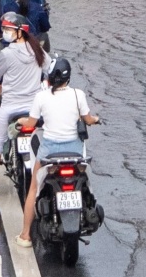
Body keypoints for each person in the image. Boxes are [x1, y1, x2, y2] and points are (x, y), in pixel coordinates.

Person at [18, 56, 97, 239]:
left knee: (33, 188)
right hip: (75, 151)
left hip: (49, 152)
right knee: (86, 180)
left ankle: (25, 235)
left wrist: (22, 122)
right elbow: (88, 119)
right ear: (68, 78)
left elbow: (31, 123)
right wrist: (96, 120)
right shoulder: (79, 95)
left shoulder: (41, 97)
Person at [0, 12, 48, 198]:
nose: (4, 32)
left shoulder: (6, 54)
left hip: (10, 107)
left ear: (20, 32)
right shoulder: (38, 51)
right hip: (34, 109)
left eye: (8, 29)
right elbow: (49, 68)